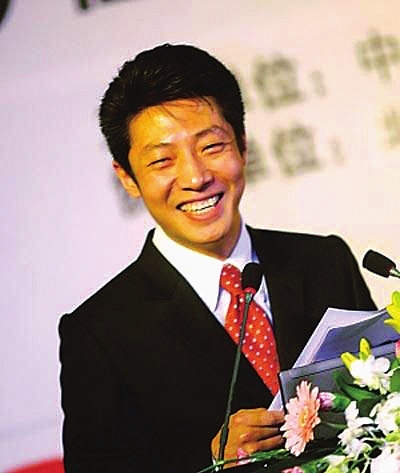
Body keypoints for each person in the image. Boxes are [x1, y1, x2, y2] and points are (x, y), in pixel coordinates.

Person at [59, 43, 376, 473]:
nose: (195, 177)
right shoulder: (100, 335)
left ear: (242, 145)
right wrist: (210, 462)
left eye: (211, 146)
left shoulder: (324, 262)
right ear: (127, 178)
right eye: (162, 160)